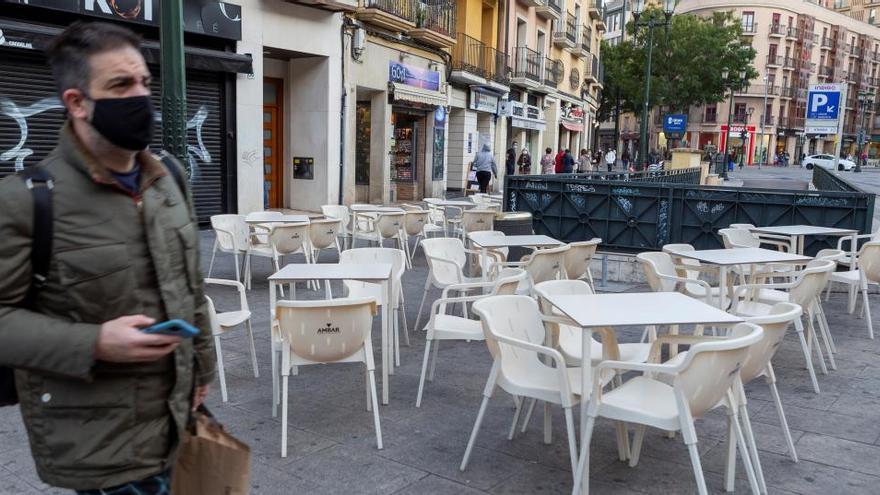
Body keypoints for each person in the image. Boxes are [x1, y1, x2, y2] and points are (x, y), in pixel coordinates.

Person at [0, 22, 215, 494]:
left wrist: (203, 368)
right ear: (77, 103)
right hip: (104, 450)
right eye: (120, 85)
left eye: (144, 83)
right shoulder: (26, 199)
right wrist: (95, 342)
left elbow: (191, 288)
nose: (140, 97)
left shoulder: (170, 180)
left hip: (179, 423)